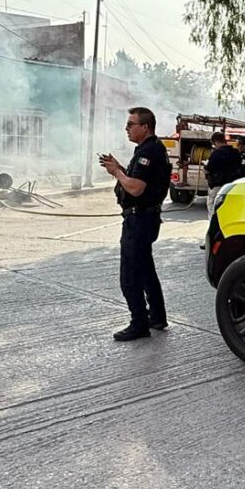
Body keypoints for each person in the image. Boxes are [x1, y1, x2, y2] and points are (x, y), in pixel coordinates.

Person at [100, 107, 171, 341]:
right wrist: (119, 169)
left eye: (131, 124)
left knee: (130, 275)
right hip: (145, 218)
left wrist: (117, 173)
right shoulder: (149, 149)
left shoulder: (148, 152)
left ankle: (139, 323)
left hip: (139, 219)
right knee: (146, 270)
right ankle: (157, 316)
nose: (127, 128)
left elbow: (136, 188)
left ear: (145, 127)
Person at [200, 132, 240, 250]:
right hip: (232, 187)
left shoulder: (216, 154)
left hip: (217, 186)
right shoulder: (235, 153)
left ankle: (211, 239)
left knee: (213, 213)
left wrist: (205, 168)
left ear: (216, 142)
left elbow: (208, 169)